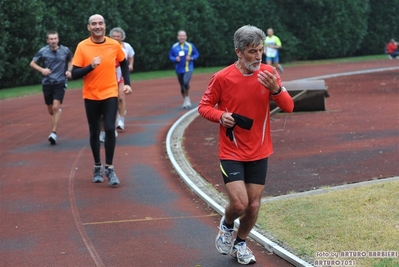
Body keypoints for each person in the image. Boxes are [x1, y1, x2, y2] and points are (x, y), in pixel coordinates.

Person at [198, 25, 294, 265]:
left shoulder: (269, 73)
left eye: (260, 50)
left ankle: (240, 243)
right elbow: (204, 106)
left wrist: (277, 89)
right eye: (252, 51)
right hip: (231, 150)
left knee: (253, 205)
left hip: (260, 150)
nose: (258, 56)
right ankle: (227, 224)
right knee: (239, 203)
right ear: (238, 51)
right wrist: (220, 116)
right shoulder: (222, 77)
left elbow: (289, 106)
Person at [71, 14, 132, 186]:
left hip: (110, 92)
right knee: (94, 130)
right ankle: (97, 165)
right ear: (88, 27)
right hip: (91, 95)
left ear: (105, 26)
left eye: (100, 23)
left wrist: (127, 83)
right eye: (94, 24)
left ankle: (110, 168)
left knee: (111, 128)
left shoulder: (113, 44)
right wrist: (90, 66)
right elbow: (74, 74)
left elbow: (124, 63)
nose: (97, 26)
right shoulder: (82, 46)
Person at [30, 30, 73, 145]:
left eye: (55, 39)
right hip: (47, 83)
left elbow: (71, 60)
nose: (53, 41)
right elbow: (32, 63)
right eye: (51, 39)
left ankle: (53, 133)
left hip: (60, 82)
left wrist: (69, 71)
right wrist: (42, 70)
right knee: (51, 110)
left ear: (58, 39)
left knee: (55, 107)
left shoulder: (65, 50)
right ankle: (57, 111)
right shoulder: (43, 51)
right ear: (47, 40)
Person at [110, 27, 135, 130]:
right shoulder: (108, 46)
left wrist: (130, 64)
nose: (116, 38)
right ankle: (114, 118)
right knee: (112, 100)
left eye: (118, 36)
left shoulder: (126, 46)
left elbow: (131, 55)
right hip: (110, 76)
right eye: (114, 36)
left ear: (122, 37)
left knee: (121, 97)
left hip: (121, 76)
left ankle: (121, 120)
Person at [169, 30, 199, 109]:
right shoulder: (174, 46)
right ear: (178, 37)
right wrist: (175, 59)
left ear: (186, 37)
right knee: (182, 86)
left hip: (188, 68)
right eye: (180, 36)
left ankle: (187, 99)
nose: (182, 37)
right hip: (179, 69)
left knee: (186, 82)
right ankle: (186, 99)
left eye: (183, 36)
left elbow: (196, 54)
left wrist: (191, 58)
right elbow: (170, 56)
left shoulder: (190, 45)